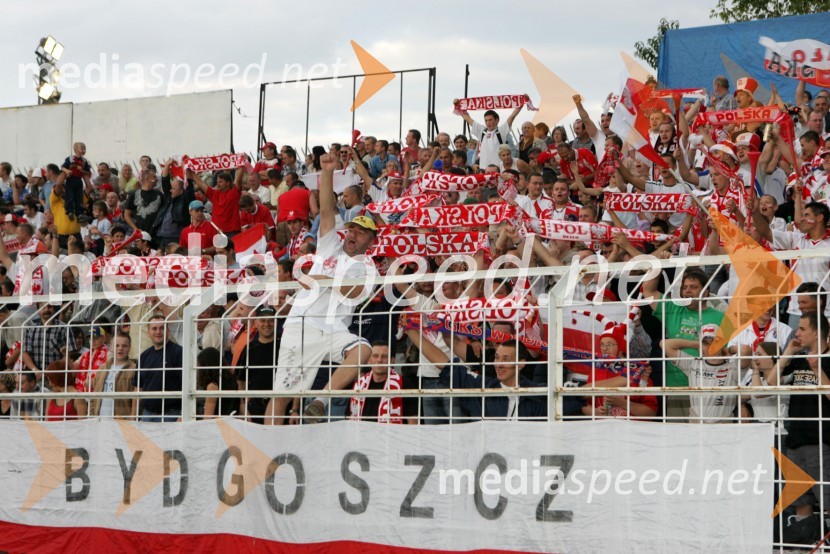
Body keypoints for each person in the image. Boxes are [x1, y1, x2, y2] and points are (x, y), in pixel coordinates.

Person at [266, 151, 377, 425]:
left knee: (362, 350)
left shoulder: (368, 267)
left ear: (370, 241)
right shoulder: (330, 244)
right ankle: (266, 446)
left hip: (333, 329)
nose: (352, 235)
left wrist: (322, 282)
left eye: (360, 233)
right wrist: (326, 172)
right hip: (301, 325)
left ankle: (321, 400)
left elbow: (352, 293)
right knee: (281, 393)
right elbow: (327, 210)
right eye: (351, 230)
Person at [779, 311, 830, 545]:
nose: (796, 333)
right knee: (802, 502)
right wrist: (788, 353)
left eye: (801, 328)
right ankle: (806, 544)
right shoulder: (798, 357)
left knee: (827, 499)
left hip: (821, 441)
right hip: (795, 441)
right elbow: (771, 381)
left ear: (817, 332)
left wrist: (817, 369)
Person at [661, 324, 749, 422]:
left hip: (723, 427)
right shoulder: (692, 363)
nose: (711, 347)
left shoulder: (732, 367)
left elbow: (745, 350)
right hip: (696, 425)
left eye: (715, 342)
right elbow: (664, 344)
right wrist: (697, 344)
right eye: (706, 343)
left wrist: (729, 349)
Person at [347, 341, 414, 423]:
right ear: (369, 360)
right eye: (375, 356)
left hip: (393, 434)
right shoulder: (358, 384)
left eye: (384, 356)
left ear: (392, 361)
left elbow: (413, 420)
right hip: (361, 434)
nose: (379, 360)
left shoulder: (405, 384)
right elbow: (349, 417)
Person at [133, 315, 183, 422]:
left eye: (162, 328)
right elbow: (138, 388)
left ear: (168, 331)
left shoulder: (179, 353)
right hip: (147, 414)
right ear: (148, 332)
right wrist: (133, 417)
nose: (158, 331)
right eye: (154, 328)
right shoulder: (144, 356)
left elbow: (187, 385)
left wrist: (183, 415)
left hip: (171, 414)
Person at [236, 306, 280, 424]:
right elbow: (241, 381)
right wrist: (244, 408)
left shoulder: (283, 347)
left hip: (279, 405)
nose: (267, 324)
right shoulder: (250, 348)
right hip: (255, 407)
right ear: (255, 322)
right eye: (263, 320)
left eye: (271, 320)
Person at [455, 105, 523, 168]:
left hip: (498, 171)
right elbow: (467, 117)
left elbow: (512, 116)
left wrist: (520, 104)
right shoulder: (482, 131)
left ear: (497, 120)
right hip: (483, 171)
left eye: (490, 120)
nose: (488, 123)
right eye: (486, 120)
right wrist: (458, 105)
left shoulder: (501, 131)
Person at [89, 333, 137, 419]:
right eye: (117, 345)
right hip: (99, 420)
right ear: (111, 347)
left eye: (124, 346)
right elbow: (94, 395)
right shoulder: (103, 368)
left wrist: (131, 419)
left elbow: (136, 399)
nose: (120, 348)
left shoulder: (134, 370)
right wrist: (92, 417)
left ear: (129, 348)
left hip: (122, 423)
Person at [193, 171, 242, 236]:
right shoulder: (214, 193)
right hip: (217, 231)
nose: (218, 184)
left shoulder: (234, 193)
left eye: (220, 182)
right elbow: (200, 182)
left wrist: (241, 167)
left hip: (232, 231)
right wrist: (189, 169)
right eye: (217, 182)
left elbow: (238, 180)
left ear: (228, 183)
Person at [197, 347, 237, 418]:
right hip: (232, 422)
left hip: (218, 425)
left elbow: (208, 416)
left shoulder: (213, 385)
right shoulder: (232, 380)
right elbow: (242, 406)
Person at [60, 142, 91, 221]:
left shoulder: (84, 161)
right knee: (69, 196)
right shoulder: (71, 159)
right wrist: (67, 171)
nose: (83, 150)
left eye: (84, 149)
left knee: (79, 197)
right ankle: (70, 211)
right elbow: (62, 167)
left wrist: (82, 171)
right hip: (71, 179)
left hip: (79, 180)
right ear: (76, 149)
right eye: (82, 149)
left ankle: (79, 213)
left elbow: (88, 172)